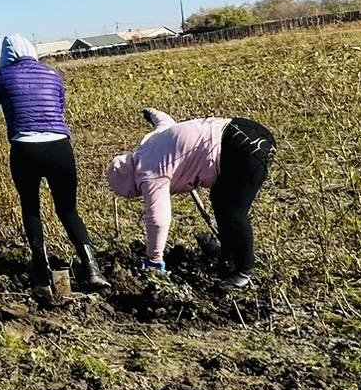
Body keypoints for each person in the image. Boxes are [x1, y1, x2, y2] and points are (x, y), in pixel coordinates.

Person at [0, 34, 107, 297]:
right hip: (60, 147)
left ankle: (40, 270)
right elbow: (60, 106)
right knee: (68, 209)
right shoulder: (51, 74)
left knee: (31, 207)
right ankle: (92, 268)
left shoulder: (3, 76)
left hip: (26, 149)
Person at [107, 111, 278, 292]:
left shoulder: (148, 176)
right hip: (247, 130)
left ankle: (244, 271)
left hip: (242, 149)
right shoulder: (148, 144)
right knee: (219, 197)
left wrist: (154, 259)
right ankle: (228, 257)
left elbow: (157, 220)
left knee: (233, 210)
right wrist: (152, 113)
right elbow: (165, 122)